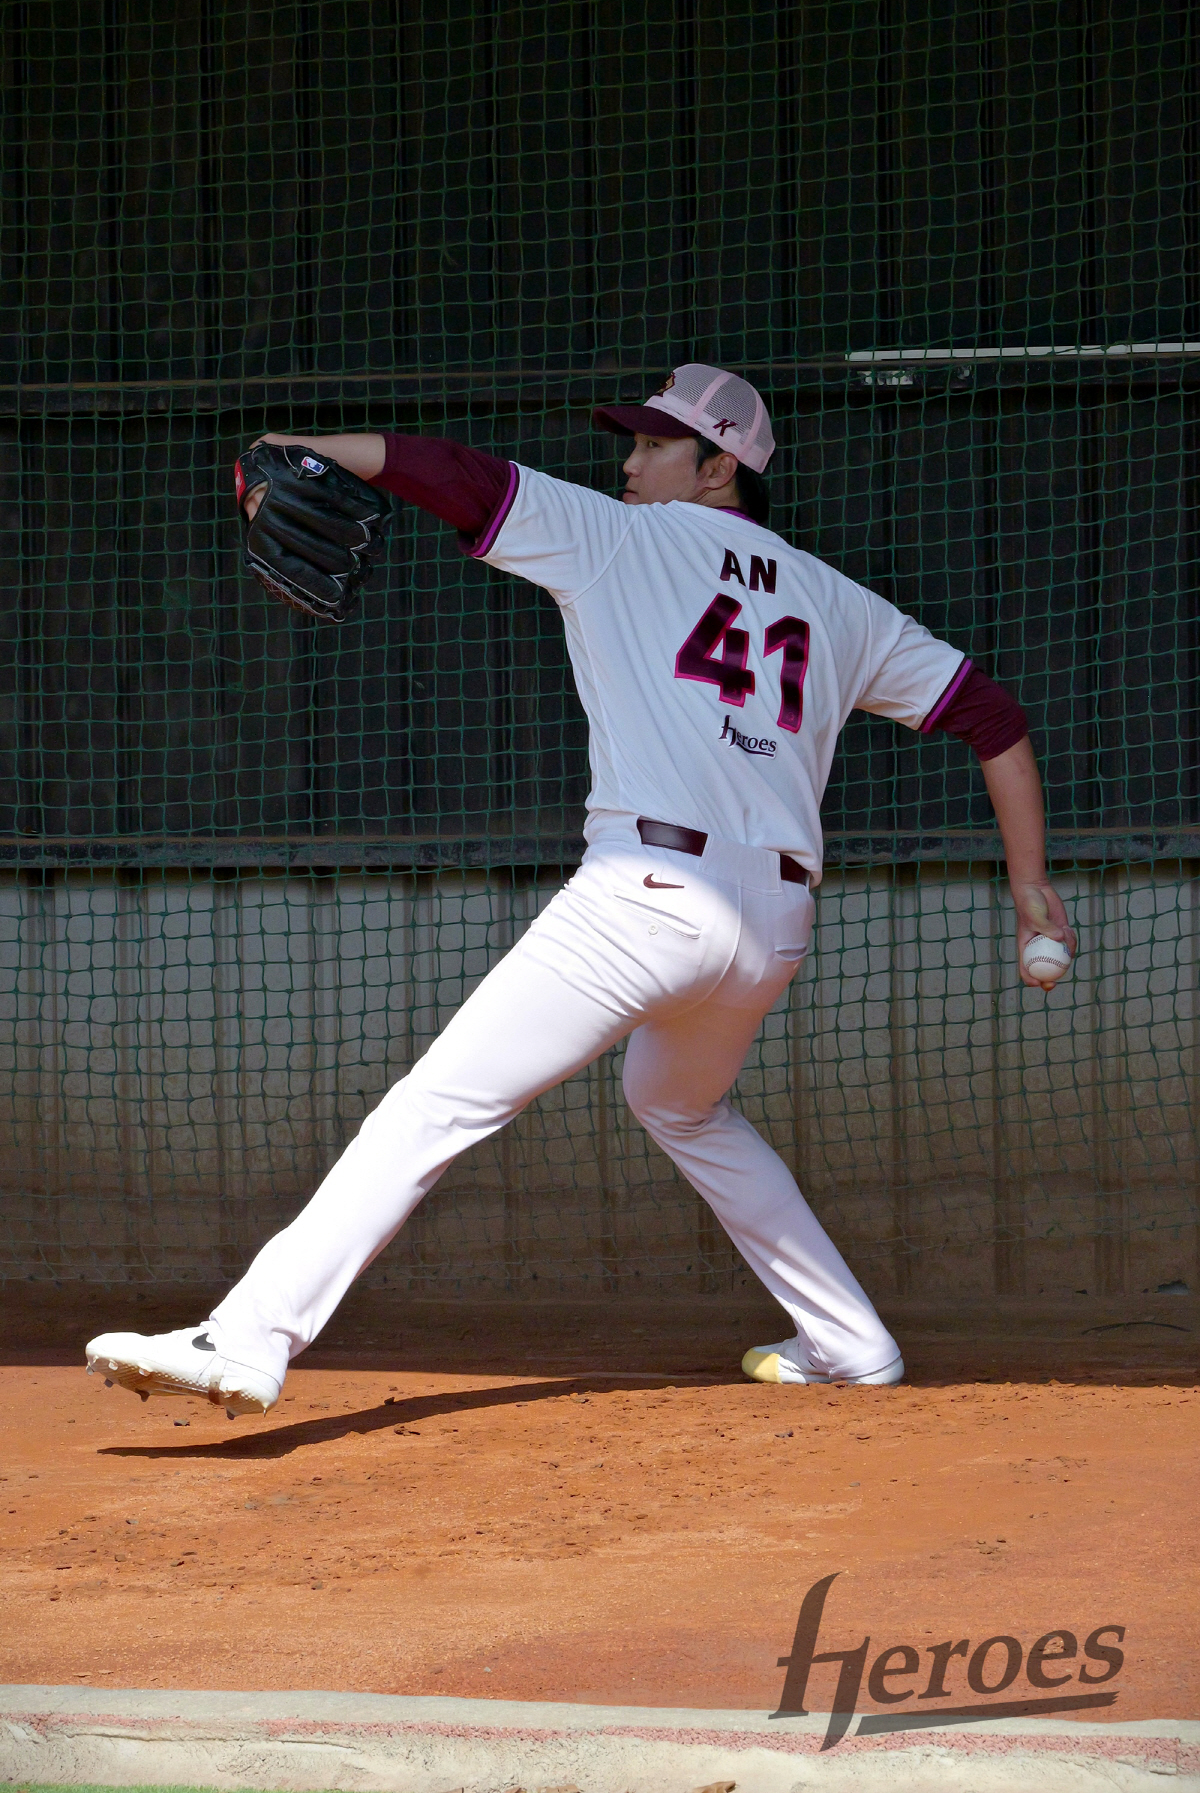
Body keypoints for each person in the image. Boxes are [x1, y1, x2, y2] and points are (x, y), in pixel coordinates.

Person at [86, 363, 1075, 1414]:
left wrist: (310, 443)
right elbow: (995, 719)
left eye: (655, 444)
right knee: (679, 1103)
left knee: (437, 1105)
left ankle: (246, 1337)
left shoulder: (619, 536)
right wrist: (1030, 891)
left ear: (717, 466)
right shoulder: (840, 604)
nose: (629, 460)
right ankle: (850, 1342)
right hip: (772, 926)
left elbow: (457, 476)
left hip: (645, 899)